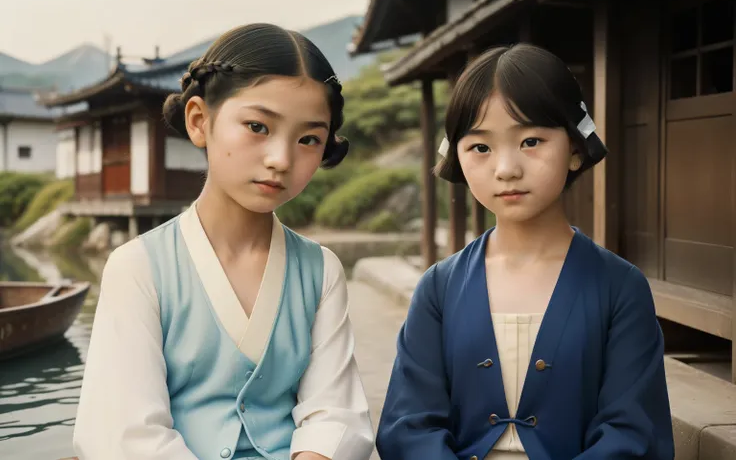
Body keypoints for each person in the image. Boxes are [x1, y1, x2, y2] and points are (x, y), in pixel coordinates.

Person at [73, 23, 374, 460]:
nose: (281, 159)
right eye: (258, 126)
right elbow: (123, 434)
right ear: (199, 121)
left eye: (309, 139)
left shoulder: (320, 270)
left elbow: (335, 415)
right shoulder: (138, 266)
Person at [376, 44, 674, 459]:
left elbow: (633, 433)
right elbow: (408, 427)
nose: (506, 168)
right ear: (458, 158)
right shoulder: (438, 289)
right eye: (481, 147)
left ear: (574, 148)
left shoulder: (619, 287)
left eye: (531, 140)